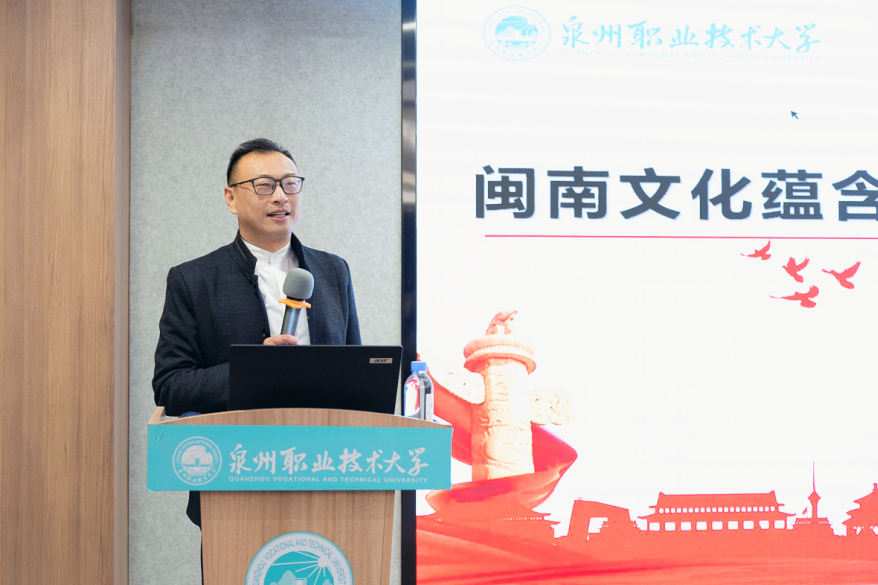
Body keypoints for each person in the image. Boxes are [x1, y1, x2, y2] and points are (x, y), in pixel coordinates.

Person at [153, 138, 361, 526]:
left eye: (290, 183)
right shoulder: (194, 280)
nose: (281, 196)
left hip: (329, 476)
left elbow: (356, 380)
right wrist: (254, 370)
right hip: (235, 478)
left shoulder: (334, 271)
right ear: (231, 199)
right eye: (264, 185)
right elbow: (170, 386)